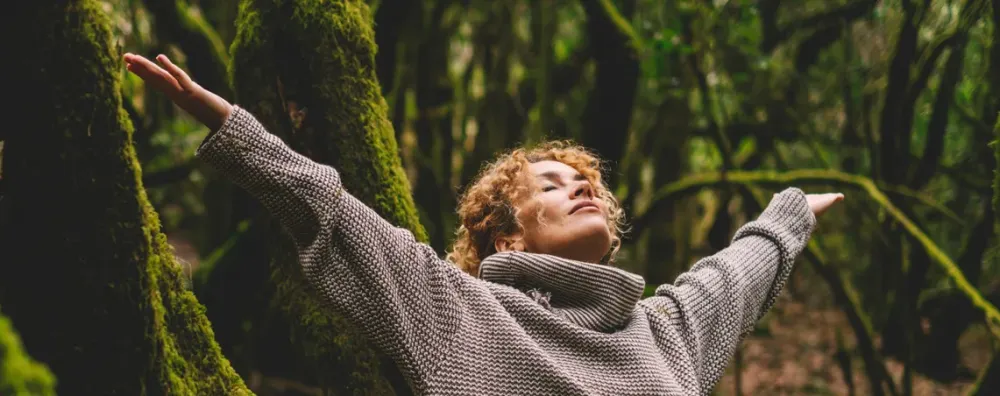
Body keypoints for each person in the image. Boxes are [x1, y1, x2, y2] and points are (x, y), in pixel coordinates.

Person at [124, 53, 844, 396]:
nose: (582, 188)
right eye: (553, 185)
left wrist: (789, 215)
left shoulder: (662, 332)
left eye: (589, 184)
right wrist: (232, 126)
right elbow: (334, 213)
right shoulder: (458, 314)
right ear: (508, 237)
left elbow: (732, 278)